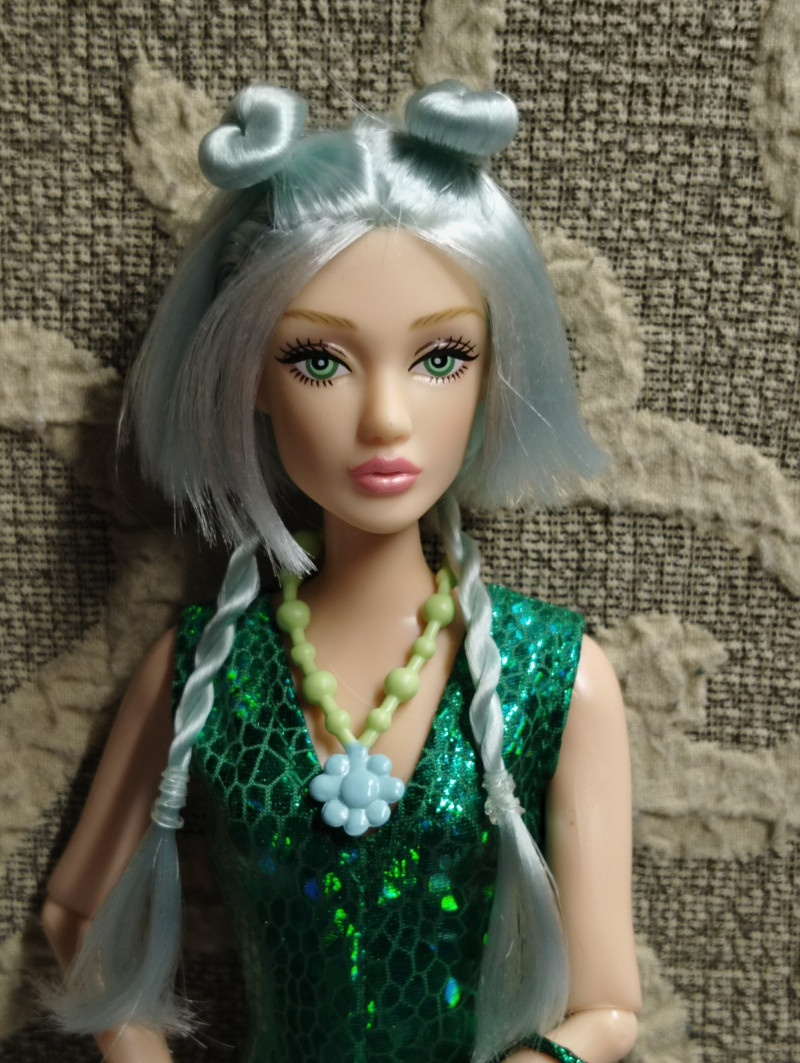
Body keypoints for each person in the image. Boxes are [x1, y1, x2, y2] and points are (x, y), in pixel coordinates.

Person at [42, 81, 641, 1063]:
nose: (385, 419)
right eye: (318, 360)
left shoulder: (555, 681)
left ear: (495, 370)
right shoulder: (206, 673)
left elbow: (608, 1006)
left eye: (440, 356)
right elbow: (77, 910)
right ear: (249, 375)